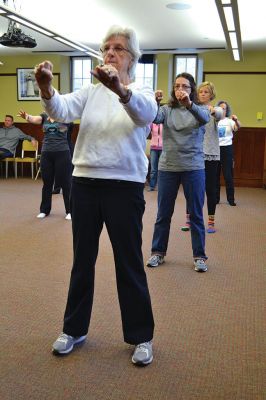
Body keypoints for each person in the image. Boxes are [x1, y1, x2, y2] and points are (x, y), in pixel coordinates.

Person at [34, 25, 157, 365]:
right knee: (82, 261)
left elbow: (144, 115)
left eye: (118, 48)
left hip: (124, 187)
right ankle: (74, 329)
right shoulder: (89, 92)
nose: (111, 53)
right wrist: (45, 86)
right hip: (86, 184)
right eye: (106, 48)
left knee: (129, 263)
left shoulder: (142, 90)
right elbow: (59, 109)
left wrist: (118, 87)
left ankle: (141, 336)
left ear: (132, 57)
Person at [146, 73, 210, 272]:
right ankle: (158, 252)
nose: (180, 89)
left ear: (192, 90)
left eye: (185, 86)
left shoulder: (200, 109)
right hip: (168, 168)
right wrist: (154, 102)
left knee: (196, 215)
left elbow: (205, 118)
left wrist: (189, 104)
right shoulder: (167, 109)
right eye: (177, 86)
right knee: (163, 214)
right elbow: (154, 117)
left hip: (193, 167)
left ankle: (199, 256)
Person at [180, 82, 223, 233]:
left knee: (210, 188)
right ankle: (189, 219)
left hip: (210, 154)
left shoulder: (214, 109)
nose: (203, 94)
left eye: (206, 92)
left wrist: (214, 111)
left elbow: (220, 113)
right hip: (194, 153)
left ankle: (210, 222)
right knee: (191, 188)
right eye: (200, 92)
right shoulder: (193, 109)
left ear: (211, 95)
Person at [18, 110, 72, 220]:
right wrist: (27, 116)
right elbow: (34, 119)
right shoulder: (43, 116)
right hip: (46, 153)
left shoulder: (64, 115)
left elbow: (66, 128)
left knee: (66, 183)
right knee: (47, 183)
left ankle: (70, 211)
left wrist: (55, 117)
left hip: (62, 152)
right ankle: (44, 210)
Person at [216, 101, 241, 206]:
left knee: (228, 176)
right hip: (215, 149)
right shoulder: (214, 120)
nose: (222, 110)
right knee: (215, 176)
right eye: (220, 108)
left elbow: (237, 127)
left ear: (227, 111)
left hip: (227, 150)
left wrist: (236, 120)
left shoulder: (229, 121)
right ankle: (215, 199)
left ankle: (231, 199)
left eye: (224, 108)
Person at [52, 121, 74, 194]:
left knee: (70, 168)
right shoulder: (56, 121)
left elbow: (63, 128)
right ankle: (57, 188)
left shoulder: (69, 122)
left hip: (68, 146)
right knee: (58, 167)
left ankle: (70, 188)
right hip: (58, 146)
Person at [147, 123, 163, 191]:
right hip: (153, 148)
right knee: (153, 169)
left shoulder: (164, 123)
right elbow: (146, 129)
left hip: (163, 148)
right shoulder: (152, 124)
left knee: (161, 169)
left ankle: (161, 186)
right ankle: (152, 186)